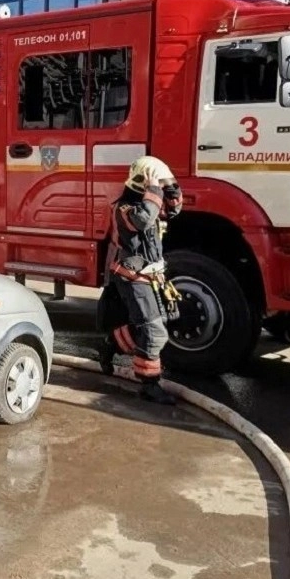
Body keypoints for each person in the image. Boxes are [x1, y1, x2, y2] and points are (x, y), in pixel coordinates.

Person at [105, 157, 183, 405]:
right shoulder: (125, 208)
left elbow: (173, 210)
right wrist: (155, 190)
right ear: (144, 184)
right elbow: (144, 220)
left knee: (161, 320)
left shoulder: (149, 202)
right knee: (153, 331)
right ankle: (149, 385)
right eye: (155, 183)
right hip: (132, 278)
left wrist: (172, 189)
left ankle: (110, 344)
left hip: (152, 276)